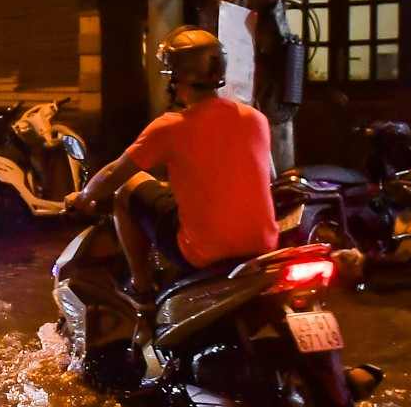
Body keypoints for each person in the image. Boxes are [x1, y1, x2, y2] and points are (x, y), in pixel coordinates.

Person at [64, 25, 278, 303]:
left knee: (127, 190)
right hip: (262, 248)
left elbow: (114, 173)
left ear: (177, 78)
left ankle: (141, 285)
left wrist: (83, 198)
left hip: (203, 254)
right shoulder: (254, 118)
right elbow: (263, 175)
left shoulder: (170, 127)